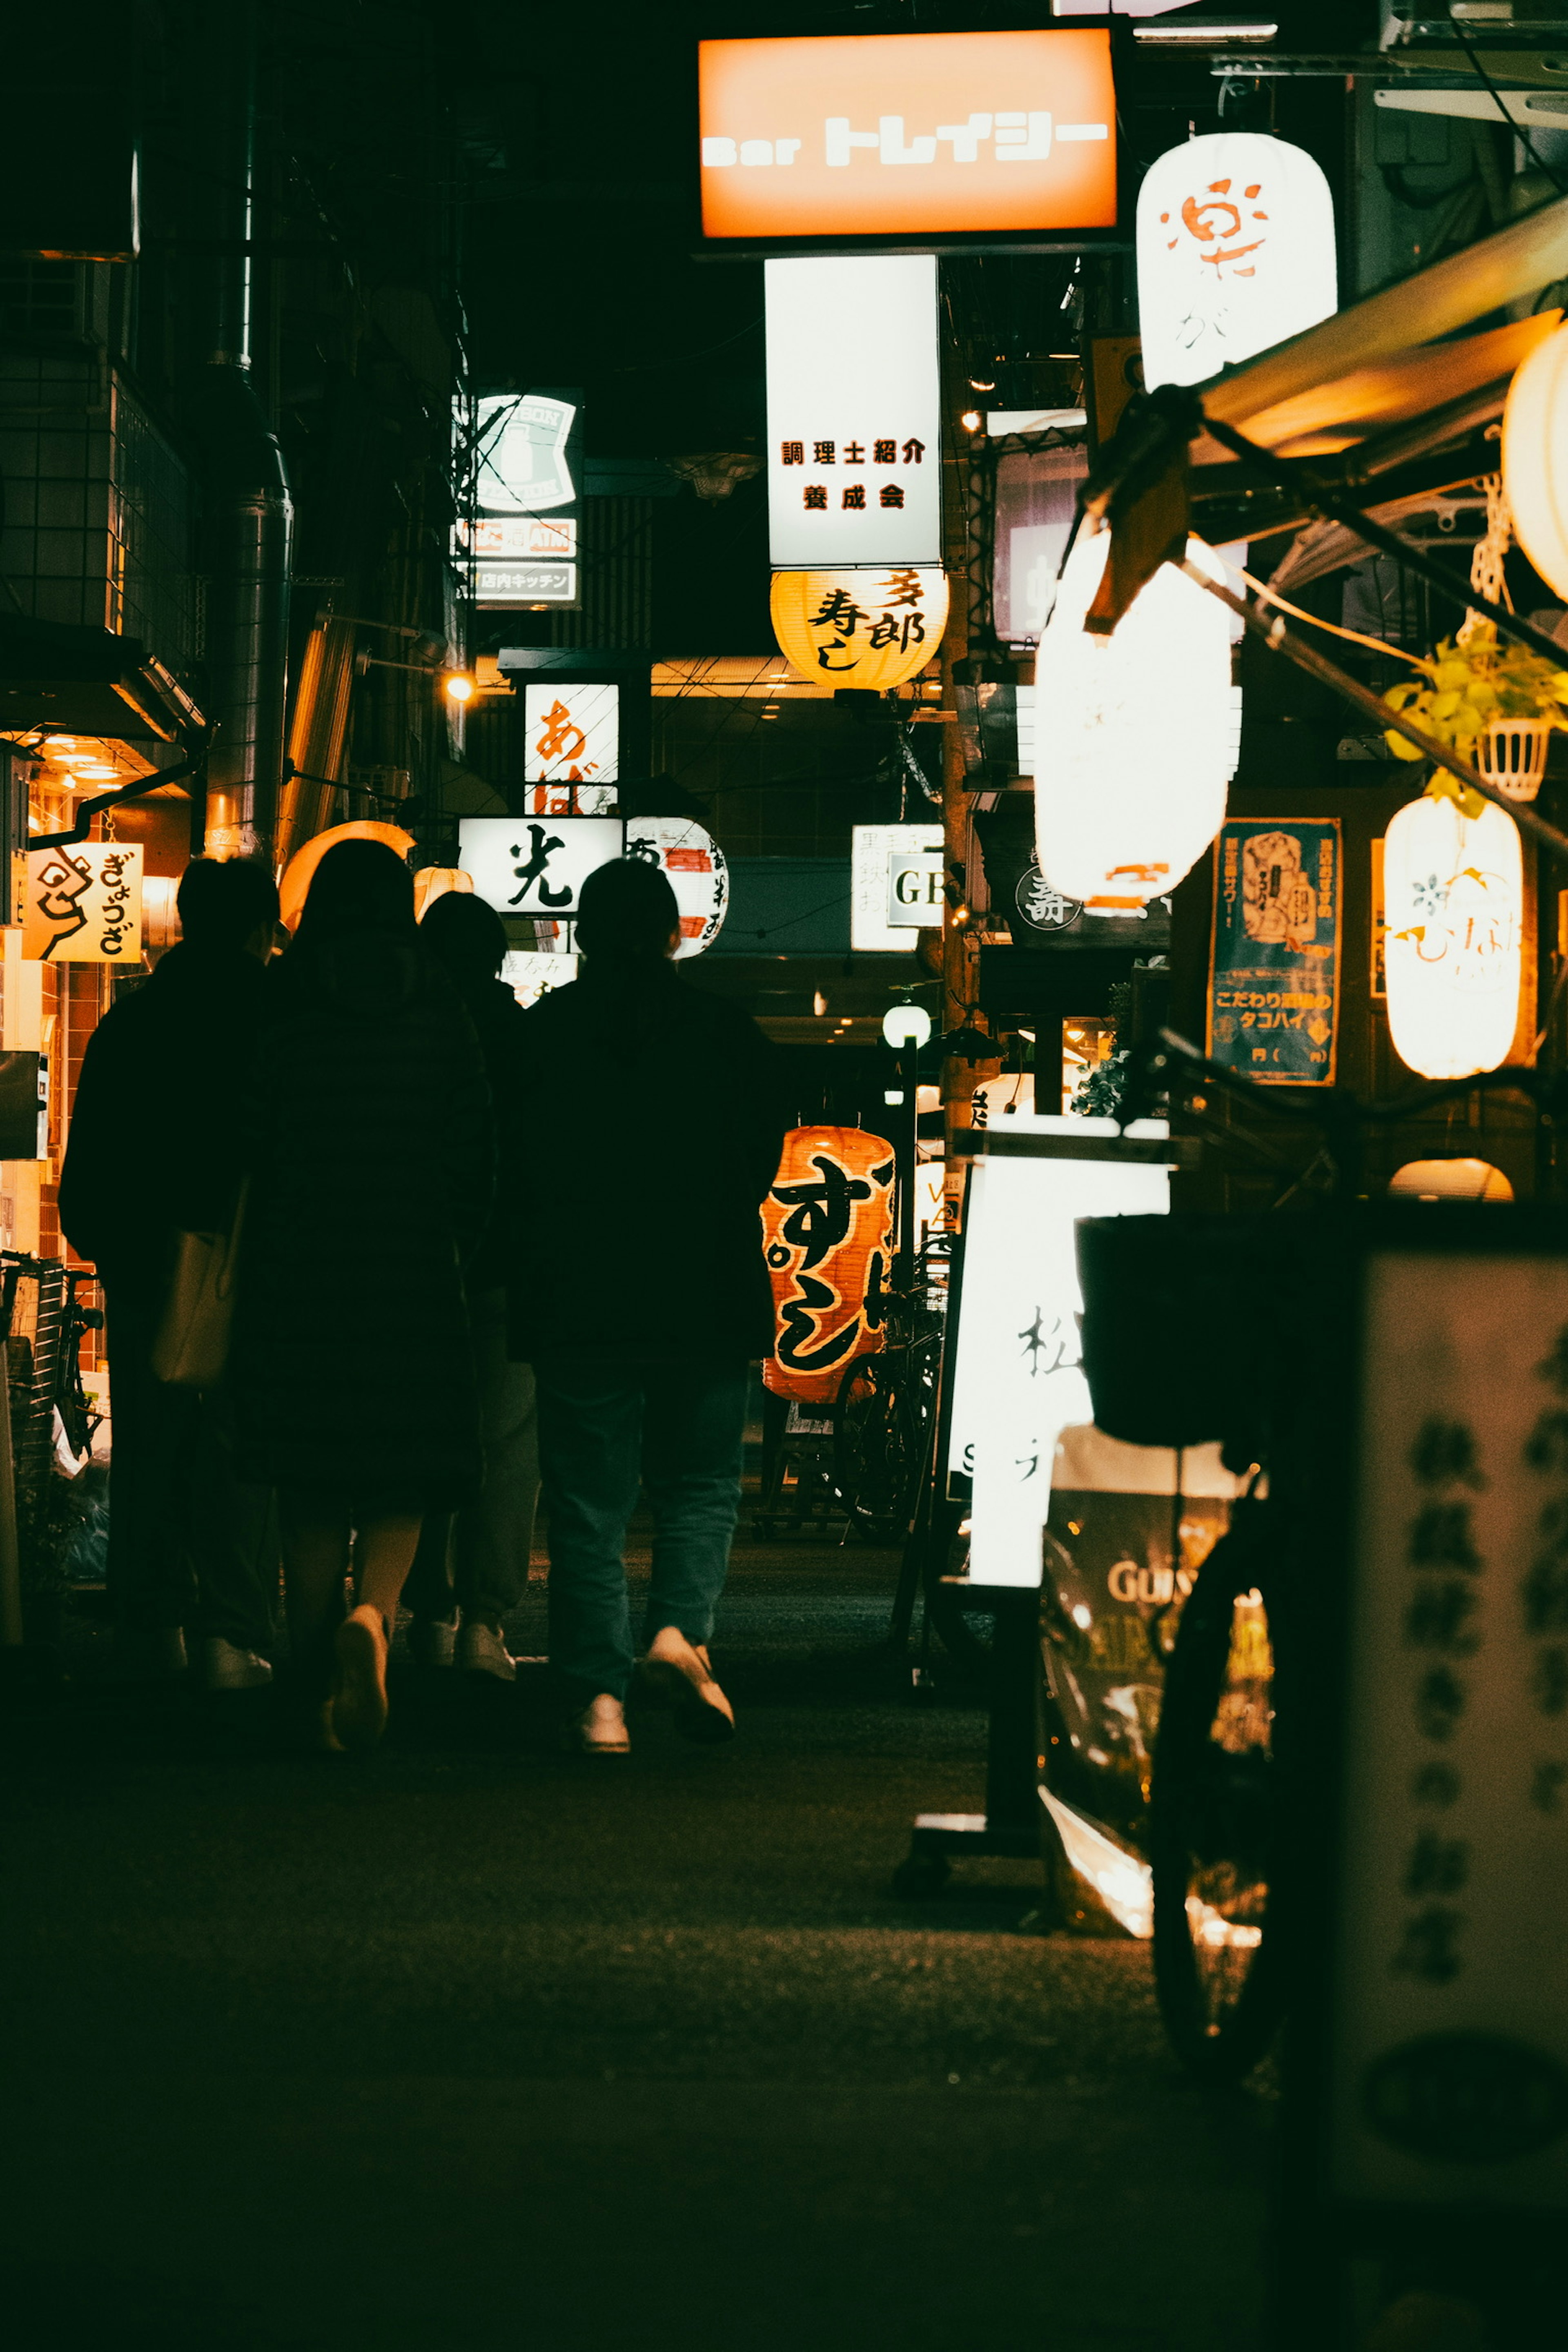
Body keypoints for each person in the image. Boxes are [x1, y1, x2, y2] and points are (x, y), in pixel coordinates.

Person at [513, 856, 785, 1757]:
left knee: (589, 1502)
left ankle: (599, 1702)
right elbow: (758, 1161)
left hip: (582, 1297)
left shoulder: (545, 1033)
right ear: (677, 934)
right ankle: (678, 1634)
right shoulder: (726, 1033)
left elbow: (520, 1167)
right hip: (704, 1289)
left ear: (583, 936)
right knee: (699, 1483)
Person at [229, 841, 493, 1751]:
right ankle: (374, 1617)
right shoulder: (439, 1003)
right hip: (413, 1262)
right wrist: (454, 1233)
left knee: (309, 1476)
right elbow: (473, 1142)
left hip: (297, 1266)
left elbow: (248, 1135)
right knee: (400, 1465)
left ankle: (311, 1667)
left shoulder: (284, 998)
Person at [59, 856, 281, 1690]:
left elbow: (93, 1163)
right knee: (243, 1448)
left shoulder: (133, 1022)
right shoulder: (279, 1020)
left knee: (151, 1442)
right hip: (254, 1268)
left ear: (186, 922)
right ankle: (233, 1632)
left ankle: (151, 1625)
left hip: (148, 1266)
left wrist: (113, 1250)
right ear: (263, 928)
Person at [403, 888, 539, 1680]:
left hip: (415, 1267)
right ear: (498, 960)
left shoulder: (407, 1033)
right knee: (506, 1444)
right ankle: (483, 1624)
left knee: (417, 1436)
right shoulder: (525, 1037)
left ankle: (420, 1605)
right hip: (511, 1270)